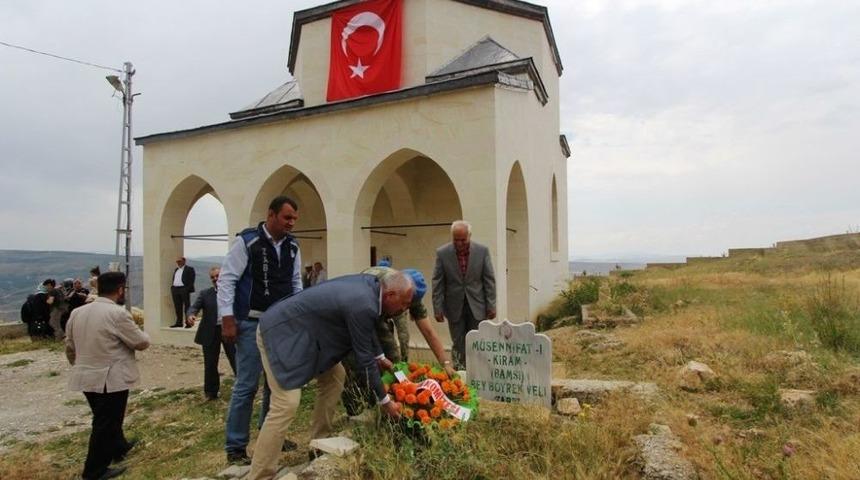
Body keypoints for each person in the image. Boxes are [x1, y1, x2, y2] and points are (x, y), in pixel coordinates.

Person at [247, 272, 409, 480]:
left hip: (305, 335)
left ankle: (318, 443)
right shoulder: (363, 302)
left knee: (335, 377)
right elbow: (364, 361)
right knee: (285, 403)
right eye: (404, 304)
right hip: (281, 334)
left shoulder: (372, 291)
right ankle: (260, 474)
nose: (403, 310)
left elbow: (367, 329)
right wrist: (386, 402)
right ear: (391, 295)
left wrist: (380, 357)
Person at [218, 195, 303, 465]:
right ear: (271, 215)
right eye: (287, 217)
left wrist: (298, 316)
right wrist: (227, 318)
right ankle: (235, 446)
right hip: (249, 322)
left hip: (279, 325)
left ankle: (271, 436)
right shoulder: (247, 242)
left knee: (275, 385)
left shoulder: (292, 247)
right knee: (247, 384)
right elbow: (228, 280)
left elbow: (296, 282)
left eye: (294, 219)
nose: (291, 223)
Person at [64, 271, 150, 480]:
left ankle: (119, 447)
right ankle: (94, 470)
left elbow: (69, 345)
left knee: (105, 417)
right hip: (110, 377)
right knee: (106, 422)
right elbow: (141, 342)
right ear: (120, 289)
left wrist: (78, 364)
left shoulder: (78, 312)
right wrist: (144, 333)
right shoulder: (117, 314)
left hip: (86, 375)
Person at [341, 267, 457, 418]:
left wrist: (446, 363)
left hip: (383, 310)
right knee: (359, 359)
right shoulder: (384, 286)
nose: (406, 308)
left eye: (410, 304)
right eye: (406, 303)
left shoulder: (411, 294)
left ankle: (391, 404)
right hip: (359, 311)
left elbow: (428, 331)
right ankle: (355, 408)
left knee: (393, 361)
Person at [432, 220, 496, 369]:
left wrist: (491, 305)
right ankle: (460, 374)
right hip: (454, 306)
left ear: (469, 236)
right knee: (458, 343)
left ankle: (479, 372)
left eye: (463, 239)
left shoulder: (482, 251)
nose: (459, 243)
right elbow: (437, 282)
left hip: (478, 306)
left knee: (478, 341)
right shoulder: (442, 253)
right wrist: (437, 308)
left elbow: (489, 280)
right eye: (456, 240)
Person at [187, 267, 237, 400]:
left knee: (236, 358)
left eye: (218, 276)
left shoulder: (232, 292)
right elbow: (194, 307)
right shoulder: (205, 294)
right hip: (210, 331)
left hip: (229, 329)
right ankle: (211, 392)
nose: (215, 279)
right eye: (213, 277)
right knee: (210, 363)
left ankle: (244, 388)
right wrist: (191, 315)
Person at [170, 257, 196, 328]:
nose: (178, 263)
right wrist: (172, 288)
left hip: (184, 289)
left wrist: (187, 289)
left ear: (184, 261)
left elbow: (192, 279)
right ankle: (179, 322)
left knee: (187, 307)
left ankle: (188, 323)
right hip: (175, 289)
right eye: (177, 261)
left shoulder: (189, 269)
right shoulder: (176, 270)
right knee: (177, 307)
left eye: (180, 261)